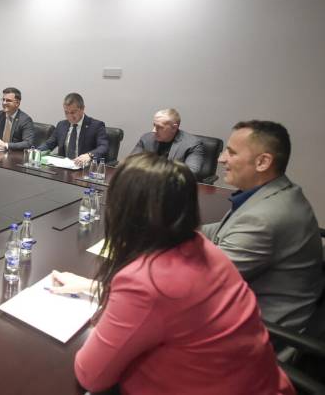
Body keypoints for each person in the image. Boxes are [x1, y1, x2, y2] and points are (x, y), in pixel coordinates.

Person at [50, 153, 294, 395]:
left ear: (125, 211)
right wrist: (92, 286)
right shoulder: (202, 246)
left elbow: (90, 376)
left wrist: (107, 313)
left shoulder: (146, 282)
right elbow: (173, 307)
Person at [202, 120, 323, 329]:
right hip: (244, 308)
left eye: (231, 152)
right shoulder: (272, 193)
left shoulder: (264, 218)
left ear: (263, 162)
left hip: (261, 331)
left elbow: (204, 279)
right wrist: (174, 230)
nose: (221, 159)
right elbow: (220, 231)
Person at [37, 93, 109, 165]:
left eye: (73, 112)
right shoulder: (61, 125)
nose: (69, 116)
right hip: (64, 167)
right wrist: (35, 151)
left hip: (84, 167)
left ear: (82, 109)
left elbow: (103, 147)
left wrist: (89, 155)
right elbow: (49, 144)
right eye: (66, 112)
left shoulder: (96, 126)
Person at [130, 108, 204, 175]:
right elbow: (131, 163)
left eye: (159, 127)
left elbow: (190, 172)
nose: (154, 130)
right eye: (154, 125)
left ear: (174, 128)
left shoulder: (192, 144)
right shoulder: (147, 138)